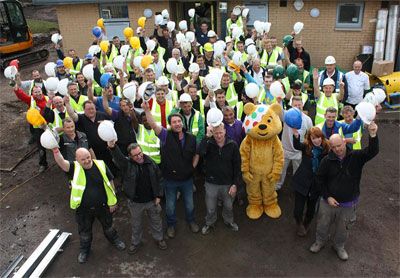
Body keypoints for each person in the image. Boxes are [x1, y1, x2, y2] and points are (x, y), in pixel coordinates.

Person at [310, 121, 379, 261]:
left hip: (348, 204)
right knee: (322, 224)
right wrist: (327, 196)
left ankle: (339, 246)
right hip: (327, 203)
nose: (337, 149)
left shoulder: (356, 157)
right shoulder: (326, 161)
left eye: (339, 145)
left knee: (343, 228)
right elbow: (319, 180)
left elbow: (372, 151)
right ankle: (320, 241)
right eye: (334, 147)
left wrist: (373, 134)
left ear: (344, 142)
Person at [52, 147, 125, 264]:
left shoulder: (100, 165)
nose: (86, 161)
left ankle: (114, 240)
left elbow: (110, 181)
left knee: (109, 226)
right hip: (84, 210)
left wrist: (113, 201)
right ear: (76, 160)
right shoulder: (74, 168)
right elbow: (61, 162)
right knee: (85, 232)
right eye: (83, 159)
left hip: (103, 206)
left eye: (88, 158)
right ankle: (84, 250)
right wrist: (55, 150)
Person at [142, 100, 200, 238]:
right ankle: (171, 225)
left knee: (190, 204)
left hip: (187, 179)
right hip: (170, 179)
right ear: (170, 125)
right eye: (174, 122)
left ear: (182, 123)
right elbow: (154, 125)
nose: (177, 124)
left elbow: (197, 153)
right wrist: (147, 110)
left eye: (179, 121)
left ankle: (191, 221)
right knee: (170, 206)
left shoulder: (191, 138)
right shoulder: (165, 136)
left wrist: (193, 167)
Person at [108, 142, 167, 254]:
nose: (139, 156)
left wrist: (159, 195)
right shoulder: (127, 165)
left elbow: (159, 179)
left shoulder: (151, 163)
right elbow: (119, 158)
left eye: (140, 153)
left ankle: (159, 238)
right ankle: (136, 242)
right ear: (130, 156)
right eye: (135, 155)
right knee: (136, 224)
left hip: (152, 201)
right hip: (135, 202)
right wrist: (113, 147)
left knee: (156, 221)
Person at [196, 123, 241, 234]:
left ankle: (229, 221)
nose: (219, 136)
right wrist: (207, 135)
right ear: (212, 133)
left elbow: (237, 166)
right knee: (210, 207)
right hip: (211, 182)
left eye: (221, 132)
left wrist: (235, 184)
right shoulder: (208, 143)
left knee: (229, 206)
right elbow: (201, 152)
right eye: (215, 133)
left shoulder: (233, 145)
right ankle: (210, 223)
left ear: (225, 131)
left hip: (228, 183)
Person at [291, 126, 329, 236]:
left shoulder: (327, 150)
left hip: (315, 186)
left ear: (322, 137)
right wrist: (296, 135)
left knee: (311, 210)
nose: (316, 141)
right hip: (302, 182)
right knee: (298, 210)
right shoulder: (306, 147)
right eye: (313, 139)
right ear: (310, 139)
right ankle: (299, 224)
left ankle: (306, 224)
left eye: (318, 138)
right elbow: (297, 145)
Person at [65, 98, 117, 175]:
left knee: (110, 167)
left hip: (106, 149)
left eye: (92, 108)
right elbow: (72, 115)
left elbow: (113, 125)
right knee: (96, 168)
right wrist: (67, 103)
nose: (91, 111)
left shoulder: (102, 115)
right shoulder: (81, 118)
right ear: (84, 109)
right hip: (90, 151)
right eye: (88, 109)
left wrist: (107, 123)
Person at [276, 96, 313, 191]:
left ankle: (297, 188)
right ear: (291, 105)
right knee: (281, 171)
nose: (297, 107)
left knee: (298, 172)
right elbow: (280, 113)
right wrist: (279, 102)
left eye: (299, 105)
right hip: (285, 150)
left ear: (302, 105)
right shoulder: (287, 115)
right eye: (295, 105)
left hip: (298, 152)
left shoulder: (307, 120)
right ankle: (277, 186)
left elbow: (310, 134)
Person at [13, 84, 48, 172]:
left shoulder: (48, 99)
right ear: (32, 93)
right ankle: (43, 164)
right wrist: (15, 87)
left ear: (42, 91)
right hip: (38, 128)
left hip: (49, 127)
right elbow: (21, 95)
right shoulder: (30, 100)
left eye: (39, 91)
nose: (37, 94)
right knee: (40, 147)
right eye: (35, 92)